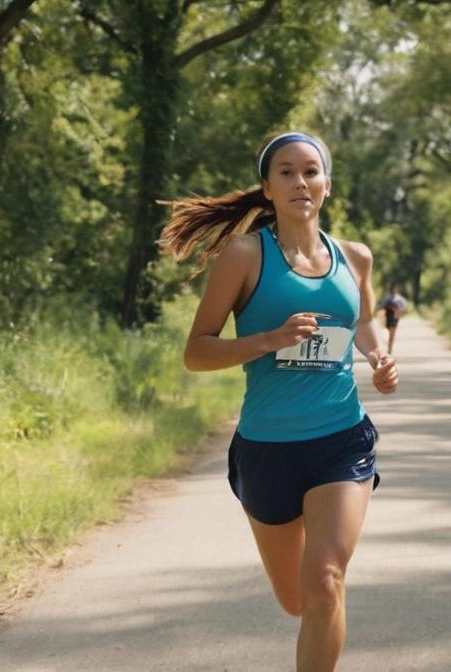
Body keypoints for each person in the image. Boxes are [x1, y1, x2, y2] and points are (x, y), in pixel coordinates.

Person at [160, 130, 399, 672]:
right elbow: (197, 353)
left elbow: (360, 323)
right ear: (267, 188)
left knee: (324, 582)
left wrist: (379, 359)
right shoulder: (245, 255)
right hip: (268, 447)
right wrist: (269, 339)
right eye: (286, 172)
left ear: (327, 186)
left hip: (341, 439)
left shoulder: (355, 257)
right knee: (296, 599)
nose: (300, 181)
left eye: (310, 171)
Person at [378, 286, 408, 354]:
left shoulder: (398, 299)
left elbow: (404, 308)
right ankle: (389, 345)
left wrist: (398, 312)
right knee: (390, 333)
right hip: (389, 317)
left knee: (391, 333)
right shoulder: (388, 298)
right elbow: (382, 307)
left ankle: (390, 347)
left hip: (393, 318)